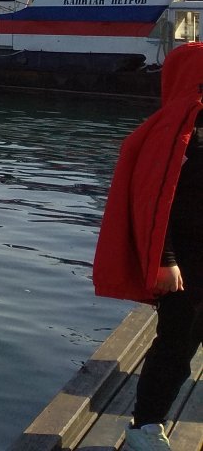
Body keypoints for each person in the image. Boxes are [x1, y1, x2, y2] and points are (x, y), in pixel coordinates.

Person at [93, 42, 203, 450]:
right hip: (185, 261)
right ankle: (145, 426)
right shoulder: (173, 132)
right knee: (176, 345)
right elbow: (155, 200)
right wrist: (164, 260)